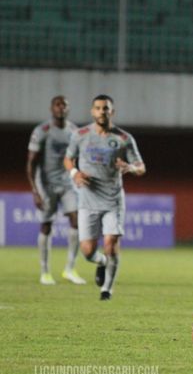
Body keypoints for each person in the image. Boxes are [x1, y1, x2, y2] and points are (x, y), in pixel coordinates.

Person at [64, 95, 146, 300]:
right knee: (87, 251)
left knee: (111, 242)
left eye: (106, 108)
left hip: (113, 199)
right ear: (92, 112)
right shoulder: (80, 135)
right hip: (87, 199)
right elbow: (68, 159)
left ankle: (107, 290)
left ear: (112, 112)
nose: (102, 111)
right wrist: (75, 173)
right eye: (98, 108)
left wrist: (130, 168)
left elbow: (141, 167)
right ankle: (100, 262)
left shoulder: (124, 138)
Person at [26, 95, 84, 285]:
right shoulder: (42, 131)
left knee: (76, 219)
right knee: (47, 224)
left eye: (64, 105)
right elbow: (31, 163)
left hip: (67, 183)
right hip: (46, 183)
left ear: (68, 109)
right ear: (51, 109)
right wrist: (35, 190)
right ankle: (45, 271)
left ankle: (70, 269)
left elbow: (79, 157)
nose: (61, 108)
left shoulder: (74, 131)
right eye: (58, 105)